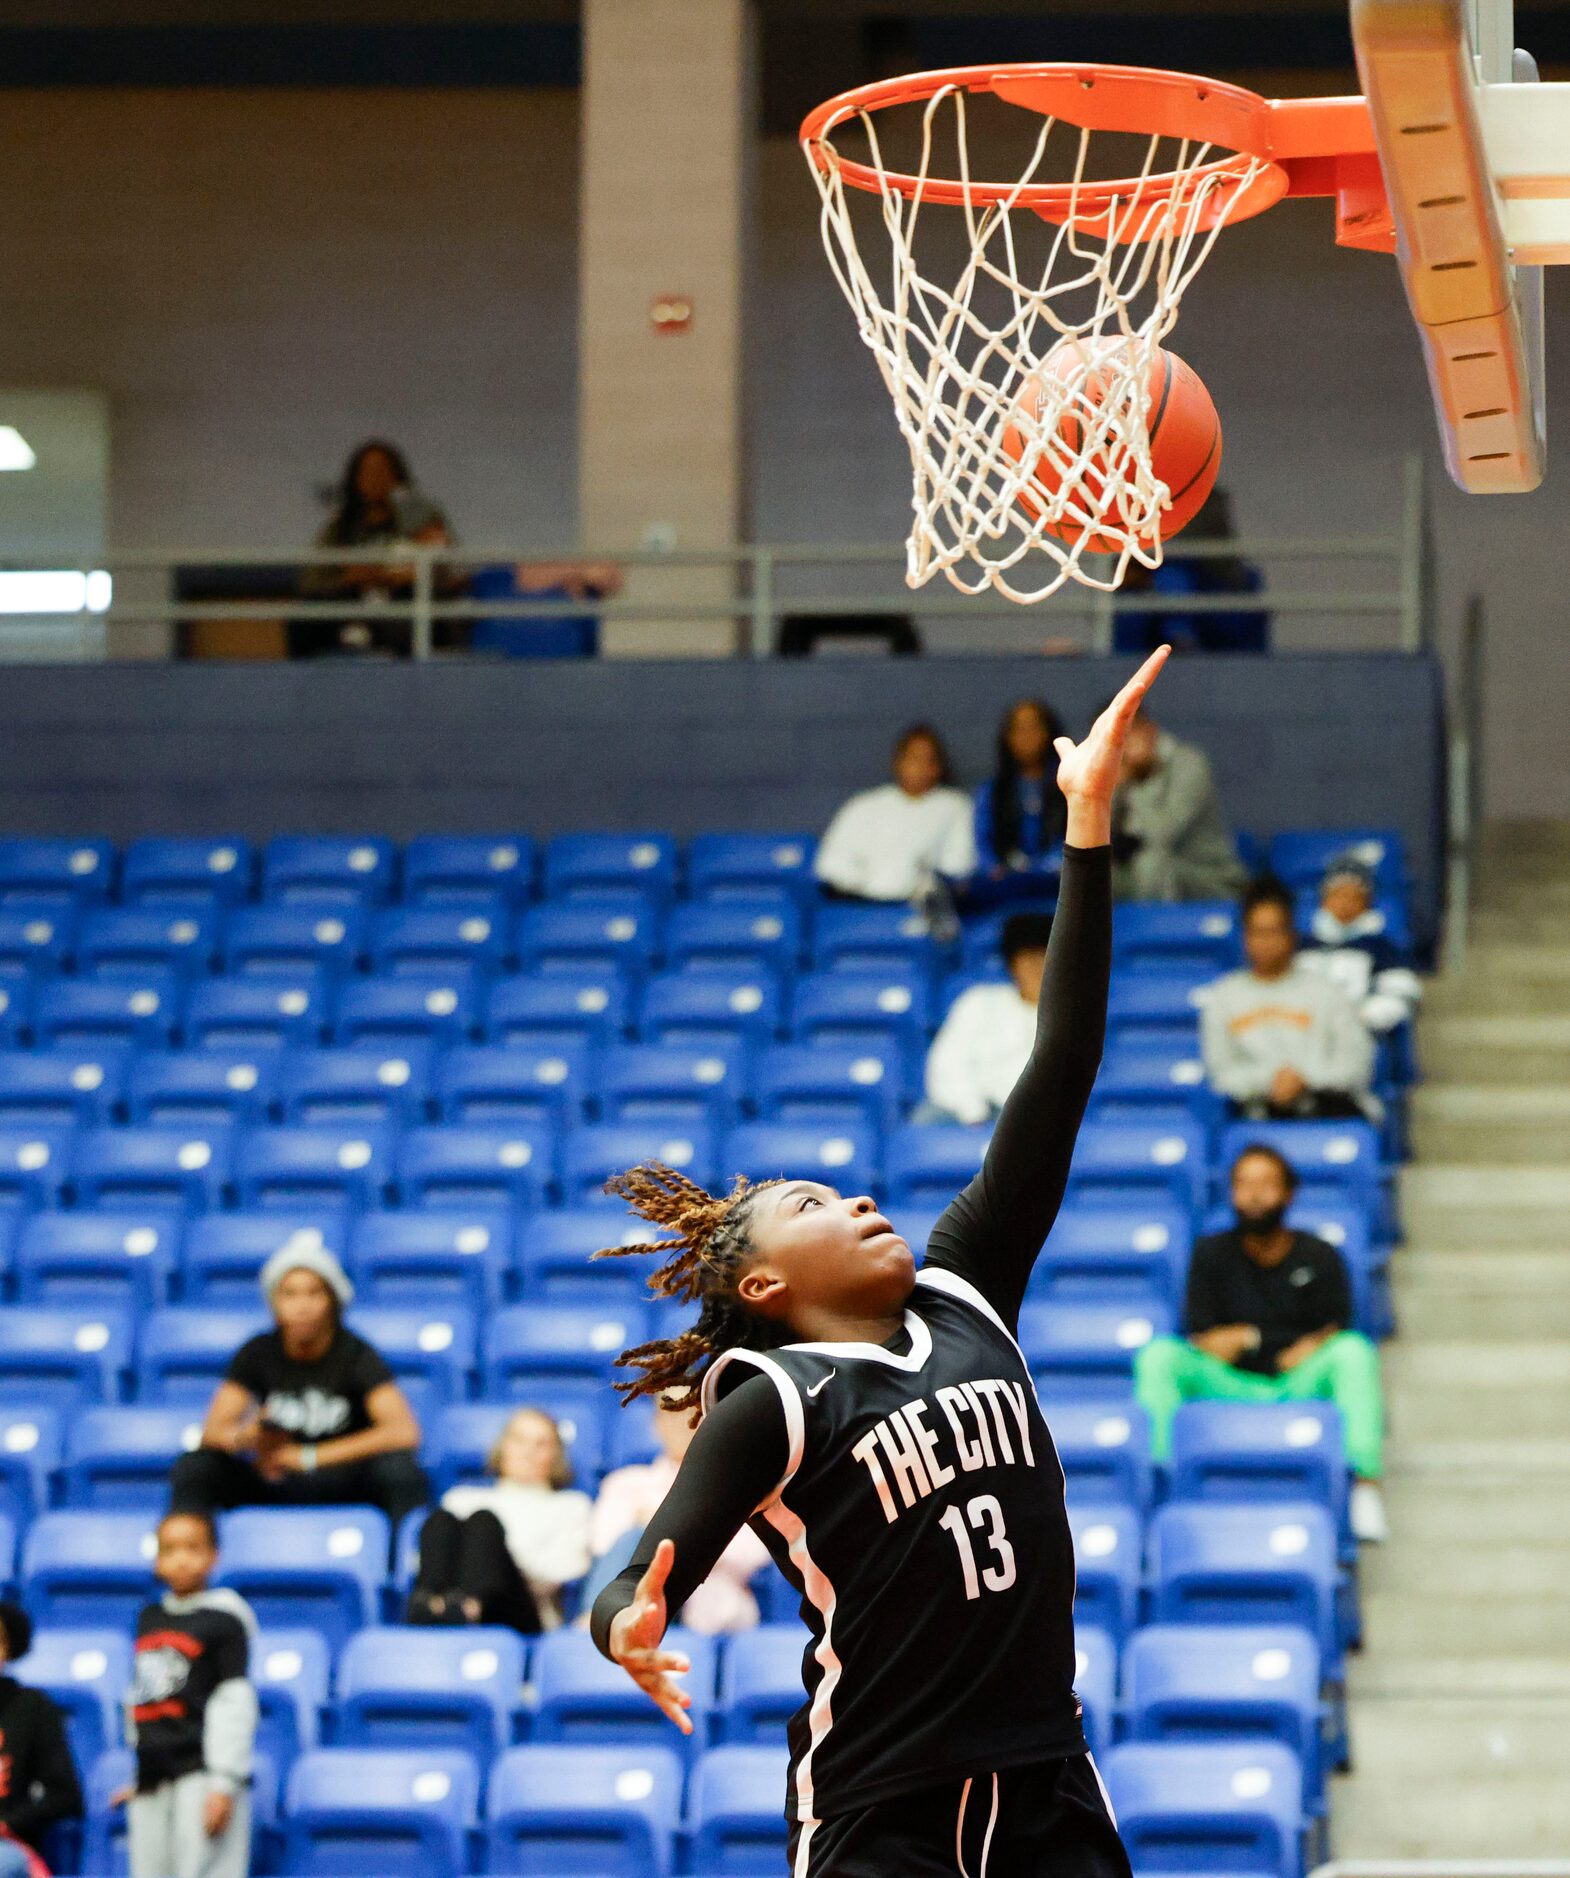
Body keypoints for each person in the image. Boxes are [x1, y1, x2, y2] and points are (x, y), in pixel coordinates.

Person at [587, 648, 1172, 1878]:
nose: (855, 1196)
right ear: (761, 1286)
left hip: (1044, 1776)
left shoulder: (966, 1288)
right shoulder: (776, 1402)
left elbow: (1058, 1061)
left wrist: (1085, 822)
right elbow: (656, 1552)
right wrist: (623, 1619)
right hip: (877, 1805)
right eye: (809, 1202)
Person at [1134, 1144, 1387, 1543]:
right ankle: (1162, 1484)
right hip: (1228, 1381)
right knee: (1160, 1356)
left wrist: (1252, 1338)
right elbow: (1203, 1336)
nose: (1253, 1196)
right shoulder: (1210, 1253)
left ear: (1288, 1193)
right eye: (1243, 1185)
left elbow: (1335, 1327)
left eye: (1266, 1185)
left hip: (1296, 1382)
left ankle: (1364, 1487)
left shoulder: (1320, 1255)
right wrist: (1271, 1340)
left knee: (1354, 1352)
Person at [168, 1243, 428, 1525]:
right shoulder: (257, 1352)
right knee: (197, 1466)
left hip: (340, 1477)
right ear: (274, 1303)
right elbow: (213, 1430)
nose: (302, 1306)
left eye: (313, 1293)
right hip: (272, 1475)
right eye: (289, 1294)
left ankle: (404, 1562)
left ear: (332, 1300)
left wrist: (309, 1456)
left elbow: (403, 1431)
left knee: (400, 1472)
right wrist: (247, 1438)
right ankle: (186, 1561)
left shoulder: (356, 1354)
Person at [120, 1512, 258, 1878]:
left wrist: (224, 1783)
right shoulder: (149, 1617)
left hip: (201, 1772)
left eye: (193, 1548)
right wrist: (140, 1772)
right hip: (153, 1775)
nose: (181, 1558)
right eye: (169, 1549)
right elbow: (141, 1694)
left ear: (214, 1555)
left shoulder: (225, 1620)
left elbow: (234, 1700)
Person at [582, 1402, 770, 1636]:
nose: (681, 1424)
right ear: (656, 1424)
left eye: (692, 1415)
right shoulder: (626, 1482)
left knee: (661, 1546)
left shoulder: (736, 1488)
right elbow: (602, 1543)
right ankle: (606, 1625)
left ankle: (603, 1628)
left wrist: (669, 1529)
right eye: (671, 1415)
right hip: (633, 1598)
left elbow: (753, 1554)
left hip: (708, 1612)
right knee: (636, 1540)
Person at [1200, 877, 1377, 1121]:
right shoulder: (1223, 997)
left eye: (1274, 931)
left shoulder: (1327, 992)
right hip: (1253, 1115)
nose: (1266, 943)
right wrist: (1268, 1082)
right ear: (1244, 937)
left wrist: (1304, 1079)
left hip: (1323, 1110)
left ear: (1291, 935)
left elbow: (1356, 1064)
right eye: (1257, 932)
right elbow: (1220, 1074)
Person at [409, 1407, 593, 1634]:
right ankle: (427, 1605)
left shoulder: (571, 1505)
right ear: (502, 1446)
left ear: (556, 1455)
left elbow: (566, 1569)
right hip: (449, 1598)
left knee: (484, 1523)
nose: (528, 1451)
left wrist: (497, 1554)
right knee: (442, 1520)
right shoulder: (459, 1498)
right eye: (519, 1440)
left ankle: (469, 1609)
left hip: (522, 1612)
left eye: (541, 1444)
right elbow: (425, 1559)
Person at [297, 439, 456, 656]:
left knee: (406, 621)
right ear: (355, 479)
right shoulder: (339, 529)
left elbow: (451, 569)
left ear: (397, 477)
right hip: (352, 602)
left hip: (403, 604)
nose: (375, 478)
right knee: (303, 621)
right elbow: (311, 582)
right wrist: (350, 578)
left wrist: (406, 575)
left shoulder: (422, 518)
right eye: (368, 471)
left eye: (383, 470)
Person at [814, 724, 977, 903]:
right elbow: (830, 864)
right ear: (897, 762)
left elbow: (959, 865)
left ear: (937, 767)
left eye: (928, 760)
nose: (920, 767)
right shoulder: (864, 805)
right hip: (859, 905)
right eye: (913, 758)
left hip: (922, 907)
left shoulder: (955, 805)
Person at [922, 913, 1053, 1125]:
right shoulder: (979, 1002)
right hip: (968, 1114)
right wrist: (972, 1110)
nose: (1037, 968)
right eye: (1028, 958)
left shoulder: (1074, 1017)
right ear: (1012, 964)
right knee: (925, 1122)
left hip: (1038, 1123)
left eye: (1044, 957)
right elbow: (946, 1063)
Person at [1108, 704, 1245, 902]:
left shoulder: (1190, 764)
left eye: (1127, 734)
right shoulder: (1116, 768)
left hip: (1208, 874)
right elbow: (1103, 833)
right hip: (1140, 873)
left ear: (1149, 729)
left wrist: (1136, 780)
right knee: (1089, 873)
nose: (1123, 746)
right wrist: (1110, 789)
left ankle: (1153, 930)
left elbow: (1162, 834)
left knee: (1151, 864)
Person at [0, 1602, 82, 1878]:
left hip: (8, 1845)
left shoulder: (31, 1707)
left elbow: (65, 1796)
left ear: (8, 1648)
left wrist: (8, 1823)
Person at [1297, 855, 1421, 1034]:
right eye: (1338, 895)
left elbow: (1402, 995)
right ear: (1324, 899)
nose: (1345, 904)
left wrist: (1361, 1017)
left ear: (1368, 903)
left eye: (1354, 897)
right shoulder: (1300, 945)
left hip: (1357, 1035)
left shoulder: (1381, 948)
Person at [973, 699, 1068, 877]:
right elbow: (984, 848)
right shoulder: (991, 792)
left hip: (1055, 882)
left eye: (1033, 727)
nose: (1026, 736)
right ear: (1007, 736)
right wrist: (997, 869)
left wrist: (1046, 867)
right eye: (1019, 729)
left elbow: (1072, 841)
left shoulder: (1067, 787)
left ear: (1048, 732)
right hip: (1006, 886)